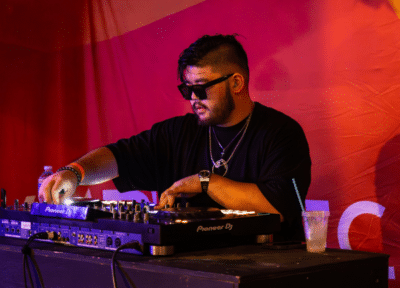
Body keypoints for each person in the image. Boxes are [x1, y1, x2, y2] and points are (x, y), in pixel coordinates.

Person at [39, 34, 311, 241]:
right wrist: (74, 172)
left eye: (201, 89)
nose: (193, 99)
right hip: (189, 268)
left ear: (237, 83)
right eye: (187, 89)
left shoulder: (281, 134)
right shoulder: (179, 132)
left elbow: (280, 207)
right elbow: (119, 156)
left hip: (261, 270)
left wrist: (205, 183)